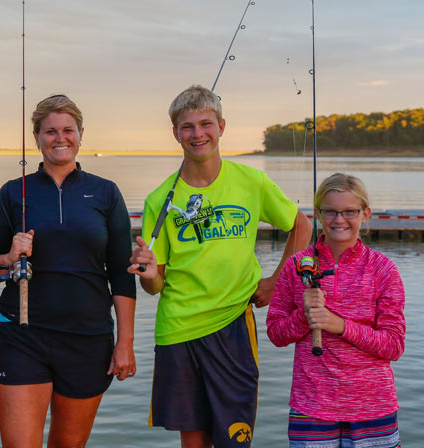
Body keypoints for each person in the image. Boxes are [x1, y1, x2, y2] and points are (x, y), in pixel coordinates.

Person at [130, 84, 312, 448]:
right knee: (193, 440)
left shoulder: (251, 181)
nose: (197, 134)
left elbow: (301, 226)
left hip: (233, 326)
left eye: (205, 124)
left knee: (235, 439)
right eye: (187, 126)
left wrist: (276, 281)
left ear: (221, 127)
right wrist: (148, 275)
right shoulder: (159, 200)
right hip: (178, 330)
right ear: (175, 133)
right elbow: (156, 284)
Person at [0, 94, 136, 448]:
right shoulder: (13, 192)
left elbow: (121, 273)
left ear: (81, 134)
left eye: (68, 130)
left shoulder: (106, 193)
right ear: (36, 136)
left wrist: (125, 343)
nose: (60, 138)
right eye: (50, 131)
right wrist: (10, 256)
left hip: (88, 339)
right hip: (22, 336)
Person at [266, 173, 405, 448]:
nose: (339, 220)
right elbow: (276, 334)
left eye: (349, 211)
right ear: (318, 214)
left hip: (373, 406)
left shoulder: (384, 269)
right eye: (330, 211)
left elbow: (394, 346)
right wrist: (303, 316)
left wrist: (339, 325)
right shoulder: (296, 266)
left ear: (365, 214)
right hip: (311, 406)